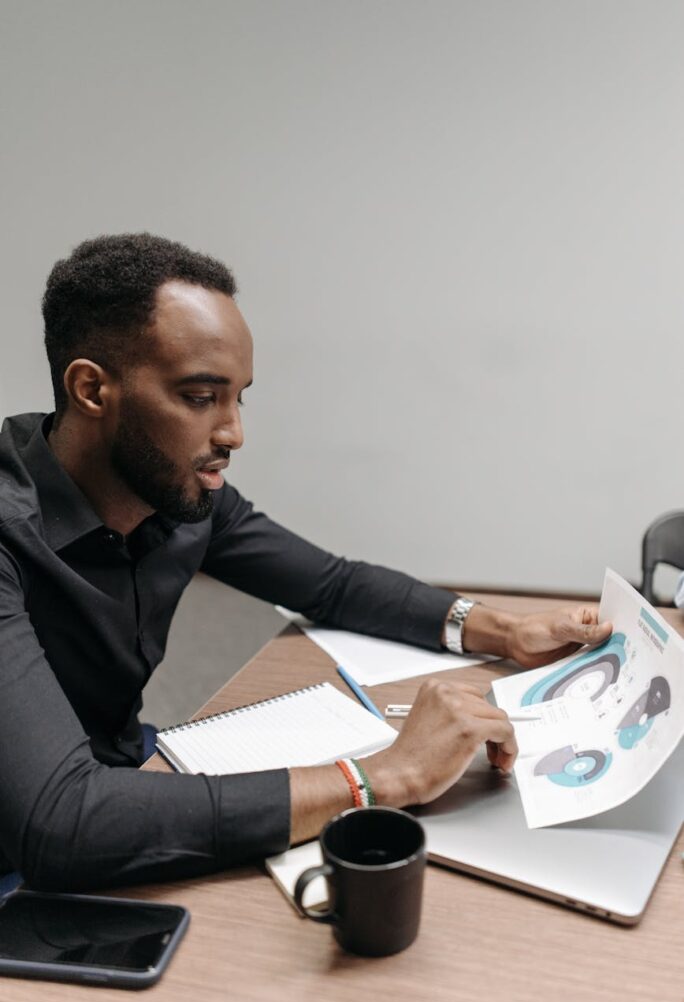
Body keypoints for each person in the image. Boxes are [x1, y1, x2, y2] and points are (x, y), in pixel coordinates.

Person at [0, 234, 611, 891]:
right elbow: (60, 821)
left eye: (240, 397)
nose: (234, 433)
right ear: (93, 389)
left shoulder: (179, 495)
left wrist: (504, 630)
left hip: (125, 777)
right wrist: (382, 777)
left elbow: (333, 585)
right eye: (201, 397)